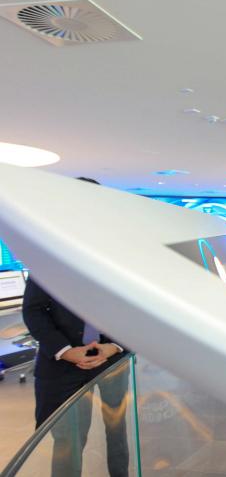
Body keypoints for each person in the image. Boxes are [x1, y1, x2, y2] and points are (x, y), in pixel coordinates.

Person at [22, 177, 130, 477]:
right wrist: (66, 351)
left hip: (113, 362)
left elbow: (133, 310)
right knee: (68, 440)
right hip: (62, 367)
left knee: (117, 433)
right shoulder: (47, 252)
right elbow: (33, 310)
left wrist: (115, 345)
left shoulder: (120, 255)